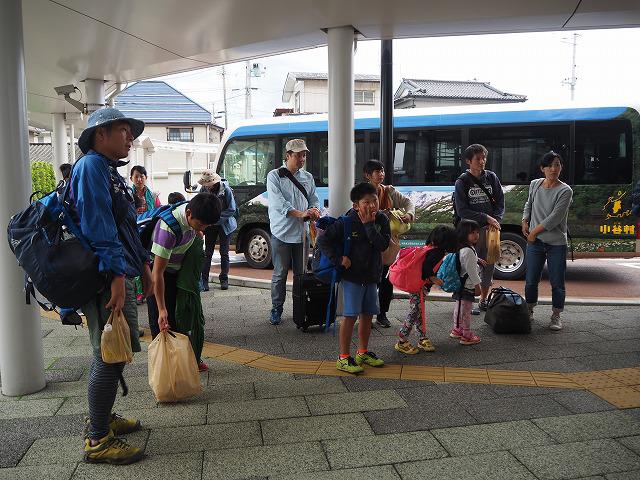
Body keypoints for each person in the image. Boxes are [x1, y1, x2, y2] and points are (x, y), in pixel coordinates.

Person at [72, 107, 151, 464]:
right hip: (105, 277)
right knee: (109, 352)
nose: (130, 137)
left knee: (113, 350)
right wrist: (118, 277)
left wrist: (144, 267)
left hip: (118, 272)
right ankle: (97, 439)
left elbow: (126, 228)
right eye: (123, 130)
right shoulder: (90, 167)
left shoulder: (109, 171)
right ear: (100, 134)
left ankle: (102, 418)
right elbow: (99, 227)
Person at [318, 182, 390, 374]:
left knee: (367, 315)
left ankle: (362, 352)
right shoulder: (346, 222)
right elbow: (323, 240)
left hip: (372, 276)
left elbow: (383, 245)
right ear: (356, 205)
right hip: (352, 277)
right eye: (366, 202)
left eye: (374, 201)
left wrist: (369, 226)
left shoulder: (381, 219)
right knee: (350, 316)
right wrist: (338, 259)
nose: (372, 205)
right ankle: (343, 357)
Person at [147, 193, 221, 371]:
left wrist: (197, 230)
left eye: (207, 225)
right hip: (160, 275)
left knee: (183, 316)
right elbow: (157, 273)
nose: (203, 228)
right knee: (164, 323)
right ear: (188, 214)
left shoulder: (195, 211)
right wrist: (161, 309)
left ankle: (185, 364)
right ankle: (166, 373)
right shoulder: (168, 229)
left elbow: (198, 226)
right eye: (200, 224)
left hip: (179, 270)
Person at [266, 139, 320, 325]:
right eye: (298, 155)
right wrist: (302, 213)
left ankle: (300, 307)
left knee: (301, 274)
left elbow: (314, 198)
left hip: (302, 234)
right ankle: (276, 308)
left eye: (304, 155)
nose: (302, 158)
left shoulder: (308, 177)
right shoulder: (274, 176)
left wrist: (314, 210)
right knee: (280, 273)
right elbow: (279, 204)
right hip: (281, 233)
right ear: (287, 155)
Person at [522, 151, 573, 331]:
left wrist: (533, 232)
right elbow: (528, 204)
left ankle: (556, 315)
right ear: (542, 168)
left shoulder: (565, 190)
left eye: (557, 165)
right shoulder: (535, 184)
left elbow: (555, 218)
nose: (554, 169)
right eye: (550, 165)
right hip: (535, 242)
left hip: (556, 243)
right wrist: (524, 221)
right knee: (530, 279)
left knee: (557, 282)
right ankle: (529, 310)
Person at [363, 160, 415, 328]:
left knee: (387, 280)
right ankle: (366, 315)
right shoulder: (362, 193)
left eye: (382, 170)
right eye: (377, 171)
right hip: (369, 244)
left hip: (389, 244)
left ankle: (382, 313)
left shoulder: (389, 191)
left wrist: (409, 215)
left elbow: (408, 203)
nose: (381, 174)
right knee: (371, 281)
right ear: (368, 175)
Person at [454, 144, 504, 315]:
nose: (482, 161)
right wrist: (486, 218)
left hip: (490, 230)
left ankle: (483, 299)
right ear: (468, 161)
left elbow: (500, 202)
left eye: (484, 158)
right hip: (470, 232)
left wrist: (495, 220)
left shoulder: (492, 177)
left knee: (489, 264)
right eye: (478, 159)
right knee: (470, 265)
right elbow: (462, 211)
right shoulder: (462, 182)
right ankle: (465, 300)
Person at [394, 225, 457, 355]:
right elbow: (427, 268)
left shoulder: (429, 248)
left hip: (417, 284)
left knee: (419, 310)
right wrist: (434, 279)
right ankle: (402, 339)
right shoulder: (437, 252)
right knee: (415, 310)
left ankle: (422, 337)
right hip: (419, 286)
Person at [198, 170, 237, 291]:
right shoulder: (203, 190)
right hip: (209, 225)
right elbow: (199, 206)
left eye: (208, 184)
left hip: (224, 224)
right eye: (205, 184)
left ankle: (224, 279)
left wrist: (216, 219)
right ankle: (204, 280)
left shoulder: (226, 190)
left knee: (224, 252)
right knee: (207, 253)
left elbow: (232, 209)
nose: (207, 187)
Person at [129, 165, 160, 304]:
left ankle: (151, 288)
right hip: (133, 232)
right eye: (136, 176)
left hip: (150, 232)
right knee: (137, 260)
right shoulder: (128, 194)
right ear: (131, 178)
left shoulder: (153, 196)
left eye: (142, 176)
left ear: (146, 178)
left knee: (150, 260)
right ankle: (140, 291)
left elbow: (158, 212)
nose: (139, 179)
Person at [450, 219, 482, 345]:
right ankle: (466, 335)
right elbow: (472, 271)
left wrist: (478, 260)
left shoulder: (462, 248)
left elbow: (467, 261)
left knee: (459, 307)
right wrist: (477, 285)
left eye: (477, 232)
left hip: (460, 283)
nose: (476, 235)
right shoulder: (468, 250)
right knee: (466, 311)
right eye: (472, 233)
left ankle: (457, 329)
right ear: (464, 234)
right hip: (468, 285)